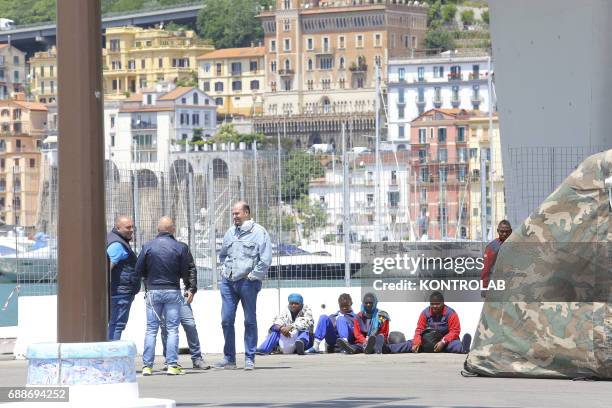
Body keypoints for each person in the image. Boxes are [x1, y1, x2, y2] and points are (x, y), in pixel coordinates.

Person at [214, 201, 272, 371]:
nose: (234, 217)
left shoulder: (259, 233)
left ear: (246, 213)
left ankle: (249, 357)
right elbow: (223, 255)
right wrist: (225, 271)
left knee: (249, 320)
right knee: (226, 319)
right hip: (228, 282)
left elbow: (266, 259)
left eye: (237, 213)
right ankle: (229, 359)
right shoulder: (230, 233)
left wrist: (252, 276)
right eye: (233, 214)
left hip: (248, 282)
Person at [136, 217, 193, 376]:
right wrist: (188, 287)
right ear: (172, 229)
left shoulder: (148, 246)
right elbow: (184, 272)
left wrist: (150, 277)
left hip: (153, 291)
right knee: (172, 329)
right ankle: (172, 365)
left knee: (151, 330)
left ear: (158, 229)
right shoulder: (179, 247)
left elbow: (138, 269)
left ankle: (147, 367)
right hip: (172, 290)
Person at [160, 245, 210, 370]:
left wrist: (191, 289)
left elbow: (191, 269)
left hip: (182, 295)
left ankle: (197, 358)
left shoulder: (181, 248)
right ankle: (169, 360)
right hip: (164, 294)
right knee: (166, 327)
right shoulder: (154, 249)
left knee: (190, 325)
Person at [388, 291, 471, 354]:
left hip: (445, 342)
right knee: (410, 344)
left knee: (455, 345)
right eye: (432, 304)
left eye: (437, 304)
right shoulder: (425, 313)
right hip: (428, 341)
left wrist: (443, 342)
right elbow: (419, 329)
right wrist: (417, 342)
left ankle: (464, 348)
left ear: (443, 303)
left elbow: (455, 331)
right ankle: (388, 348)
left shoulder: (451, 313)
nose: (434, 306)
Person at [106, 216, 140, 341]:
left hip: (117, 291)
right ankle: (112, 356)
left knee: (114, 324)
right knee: (117, 325)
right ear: (118, 227)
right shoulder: (117, 245)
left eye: (132, 227)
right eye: (128, 227)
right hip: (119, 294)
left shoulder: (114, 239)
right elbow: (106, 268)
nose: (131, 230)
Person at [481, 220, 512, 294]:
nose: (504, 234)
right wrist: (484, 287)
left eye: (507, 231)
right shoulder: (492, 247)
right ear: (498, 231)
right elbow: (486, 268)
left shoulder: (515, 245)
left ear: (510, 231)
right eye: (502, 231)